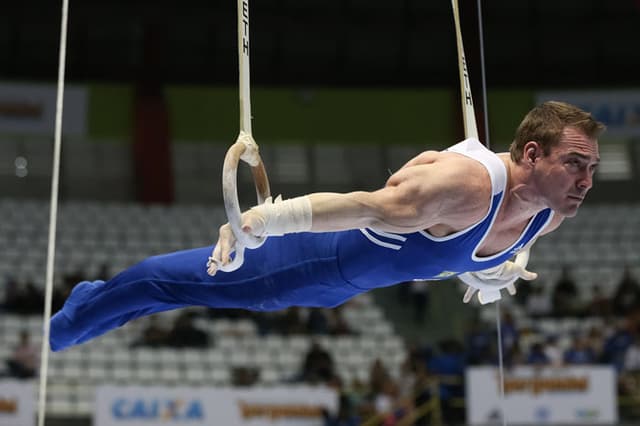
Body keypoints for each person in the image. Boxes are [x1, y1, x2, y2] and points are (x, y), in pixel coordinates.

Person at [49, 101, 604, 351]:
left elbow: (436, 249)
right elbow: (364, 205)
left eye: (593, 169)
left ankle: (92, 307)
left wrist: (485, 269)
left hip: (346, 285)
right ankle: (70, 322)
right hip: (311, 262)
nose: (585, 180)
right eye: (575, 164)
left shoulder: (547, 215)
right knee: (170, 284)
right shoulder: (466, 189)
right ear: (532, 154)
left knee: (178, 289)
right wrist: (267, 217)